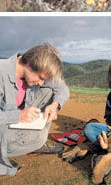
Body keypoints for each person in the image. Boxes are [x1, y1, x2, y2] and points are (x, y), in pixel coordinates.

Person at [0, 44, 70, 176]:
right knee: (39, 138)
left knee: (49, 91)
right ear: (30, 64)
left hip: (16, 120)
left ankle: (31, 142)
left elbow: (63, 88)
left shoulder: (34, 72)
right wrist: (18, 115)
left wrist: (55, 104)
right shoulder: (1, 72)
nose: (42, 82)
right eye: (41, 78)